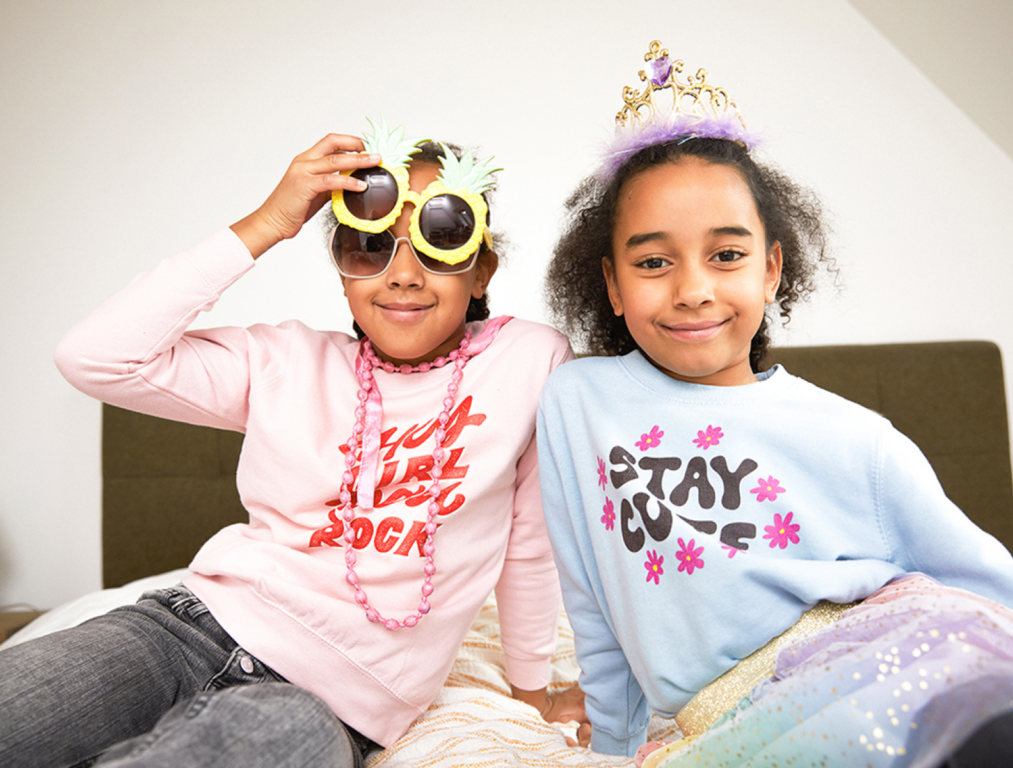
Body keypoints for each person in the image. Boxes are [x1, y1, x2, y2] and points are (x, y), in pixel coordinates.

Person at [0, 119, 580, 767]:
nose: (403, 275)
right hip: (181, 633)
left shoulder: (527, 360)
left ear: (481, 270)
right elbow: (93, 357)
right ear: (342, 271)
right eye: (368, 247)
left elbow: (529, 542)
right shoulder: (282, 360)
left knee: (285, 736)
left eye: (440, 240)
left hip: (320, 707)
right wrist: (268, 223)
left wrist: (535, 695)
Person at [537, 42, 1013, 768]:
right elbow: (593, 604)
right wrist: (613, 744)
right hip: (739, 712)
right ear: (611, 284)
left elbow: (993, 586)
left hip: (894, 645)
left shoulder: (857, 440)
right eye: (653, 262)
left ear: (771, 271)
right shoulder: (579, 403)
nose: (693, 289)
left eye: (727, 255)